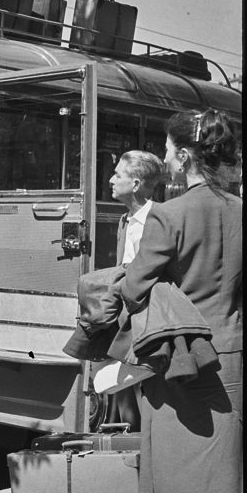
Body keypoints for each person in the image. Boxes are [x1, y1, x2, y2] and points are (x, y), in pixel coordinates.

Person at [121, 111, 242, 493]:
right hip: (230, 351)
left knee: (168, 460)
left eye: (169, 150)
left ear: (185, 156)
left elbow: (134, 289)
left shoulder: (166, 216)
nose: (166, 158)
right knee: (219, 463)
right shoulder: (240, 209)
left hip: (173, 355)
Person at [104, 150, 165, 428]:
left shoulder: (158, 220)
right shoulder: (126, 219)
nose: (110, 180)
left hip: (146, 321)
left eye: (118, 174)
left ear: (137, 184)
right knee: (122, 391)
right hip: (126, 317)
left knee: (144, 390)